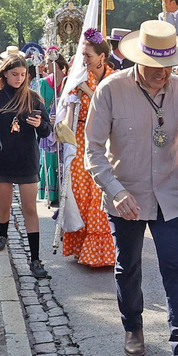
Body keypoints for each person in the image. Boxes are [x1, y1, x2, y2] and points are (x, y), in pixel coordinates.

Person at [84, 21, 178, 356]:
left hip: (171, 194)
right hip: (126, 195)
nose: (162, 73)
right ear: (139, 60)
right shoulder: (110, 90)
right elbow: (92, 149)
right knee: (129, 266)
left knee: (176, 270)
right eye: (155, 66)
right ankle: (133, 328)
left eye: (168, 65)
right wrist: (115, 190)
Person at [0, 51, 52, 278]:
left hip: (26, 159)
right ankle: (2, 235)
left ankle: (36, 258)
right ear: (6, 74)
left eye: (23, 74)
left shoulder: (34, 98)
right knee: (4, 205)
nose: (19, 78)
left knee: (30, 208)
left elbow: (47, 131)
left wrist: (40, 124)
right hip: (2, 158)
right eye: (15, 74)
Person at [59, 29, 119, 268]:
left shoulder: (115, 79)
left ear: (102, 57)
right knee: (82, 194)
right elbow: (70, 113)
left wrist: (87, 90)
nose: (85, 59)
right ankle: (82, 247)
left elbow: (111, 109)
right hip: (82, 139)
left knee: (100, 193)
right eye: (83, 54)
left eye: (89, 55)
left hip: (108, 141)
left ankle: (102, 253)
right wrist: (66, 134)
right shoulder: (78, 78)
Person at [36, 56, 61, 207]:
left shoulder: (67, 80)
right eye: (45, 63)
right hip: (47, 125)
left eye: (49, 63)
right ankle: (50, 194)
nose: (46, 66)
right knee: (50, 158)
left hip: (63, 124)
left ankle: (61, 193)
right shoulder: (43, 83)